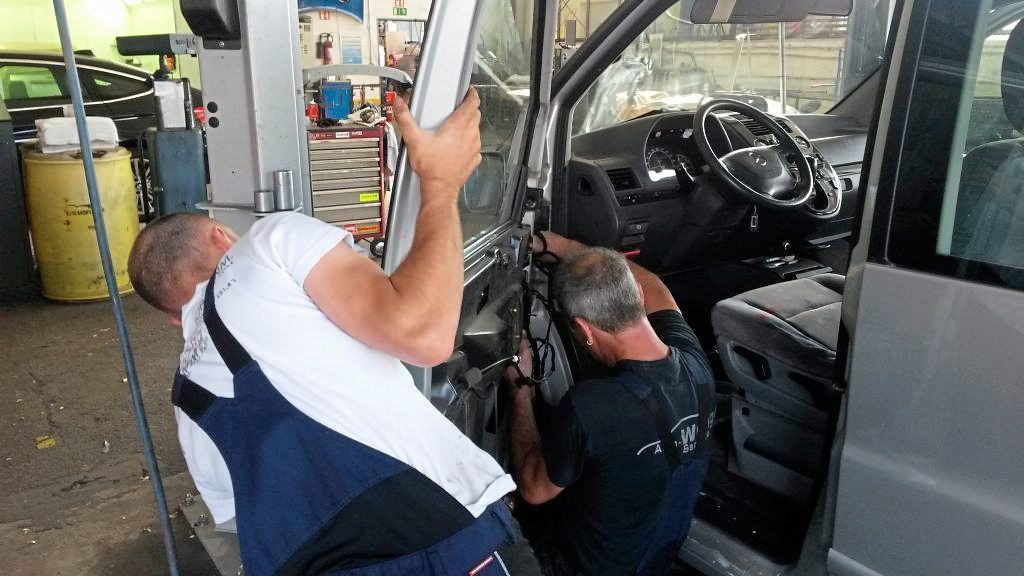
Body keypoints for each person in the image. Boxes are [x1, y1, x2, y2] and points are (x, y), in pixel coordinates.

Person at [128, 89, 528, 576]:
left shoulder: (187, 405)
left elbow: (246, 520)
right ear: (220, 237)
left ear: (176, 318)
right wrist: (440, 184)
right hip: (437, 544)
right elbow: (423, 335)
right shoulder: (267, 245)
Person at [507, 232, 715, 576]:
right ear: (638, 296)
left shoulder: (592, 406)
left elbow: (532, 488)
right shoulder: (696, 362)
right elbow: (656, 285)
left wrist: (520, 386)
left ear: (584, 330)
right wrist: (552, 243)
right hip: (655, 559)